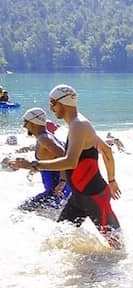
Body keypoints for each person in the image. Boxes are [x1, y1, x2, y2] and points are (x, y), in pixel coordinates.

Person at [11, 85, 122, 249]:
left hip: (93, 195)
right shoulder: (78, 124)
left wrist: (33, 165)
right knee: (58, 240)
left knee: (118, 246)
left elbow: (71, 161)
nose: (50, 108)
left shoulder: (79, 125)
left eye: (52, 103)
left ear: (64, 102)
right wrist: (112, 180)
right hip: (78, 197)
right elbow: (106, 151)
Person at [17, 107, 71, 212]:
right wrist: (31, 168)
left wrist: (63, 181)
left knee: (22, 211)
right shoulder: (43, 137)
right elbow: (50, 163)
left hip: (57, 191)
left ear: (34, 122)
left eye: (26, 122)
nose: (24, 126)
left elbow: (64, 156)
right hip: (54, 191)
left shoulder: (44, 139)